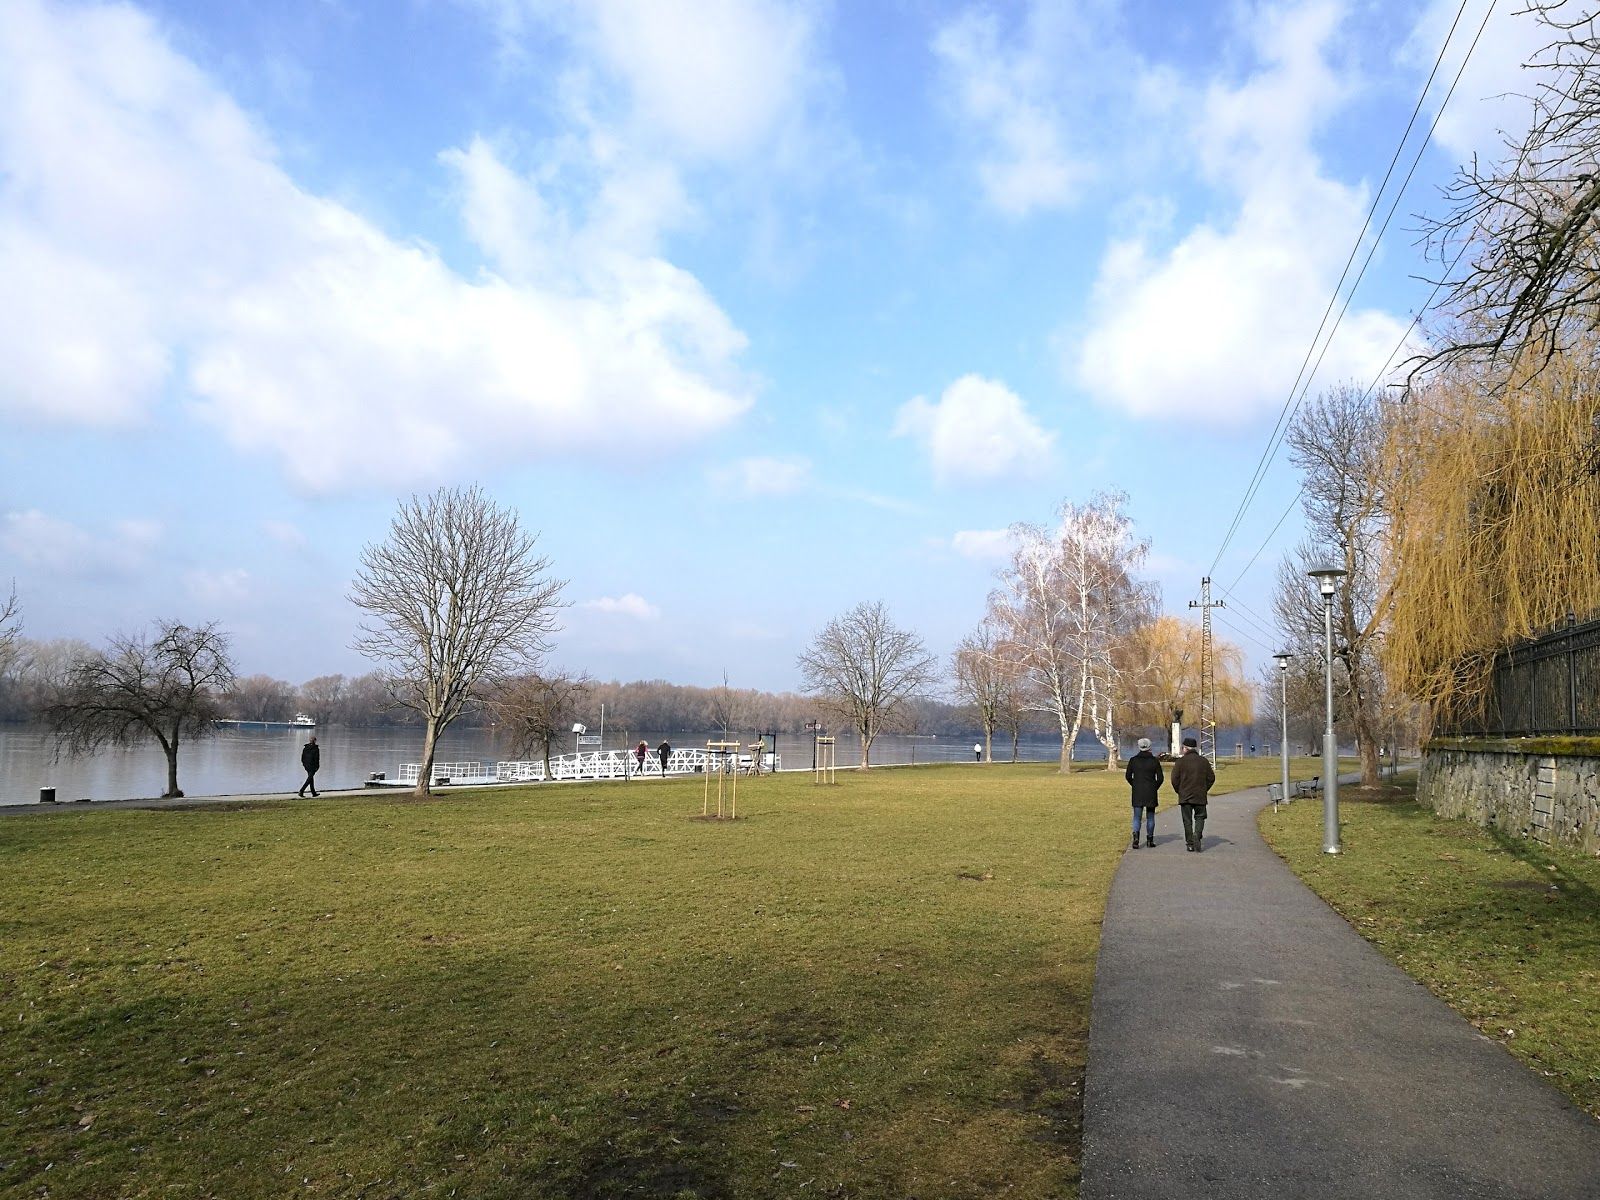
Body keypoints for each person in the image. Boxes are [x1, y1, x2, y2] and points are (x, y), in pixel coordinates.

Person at [1171, 736, 1216, 852]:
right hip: (1200, 795)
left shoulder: (1180, 762)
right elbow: (1211, 778)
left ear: (1185, 748)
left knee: (1187, 820)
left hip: (1185, 796)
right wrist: (1204, 789)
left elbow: (1174, 779)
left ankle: (1190, 843)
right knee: (1200, 817)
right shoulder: (1204, 761)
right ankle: (1197, 835)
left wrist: (1179, 791)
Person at [1124, 736, 1163, 848]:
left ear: (1139, 747)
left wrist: (1134, 784)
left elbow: (1128, 776)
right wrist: (1154, 787)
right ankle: (1150, 840)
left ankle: (1136, 839)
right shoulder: (1154, 761)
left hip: (1138, 791)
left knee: (1137, 816)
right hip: (1151, 791)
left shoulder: (1133, 760)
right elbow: (1160, 778)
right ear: (1150, 747)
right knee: (1150, 816)